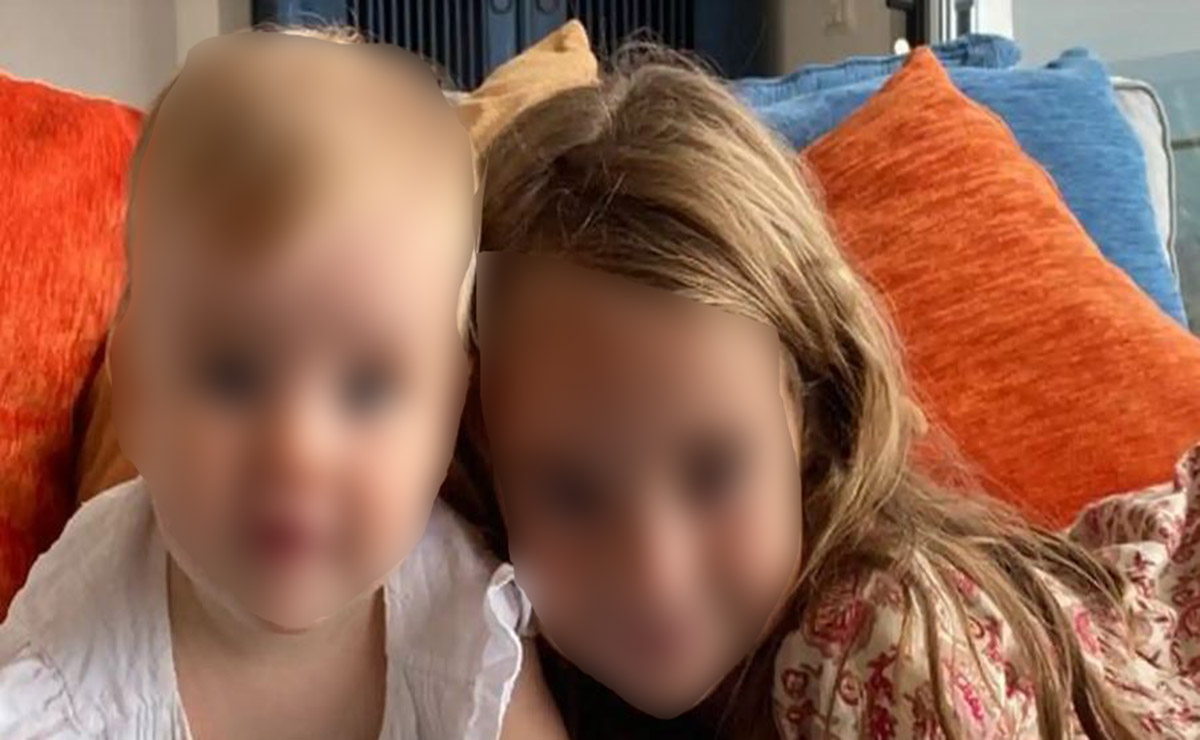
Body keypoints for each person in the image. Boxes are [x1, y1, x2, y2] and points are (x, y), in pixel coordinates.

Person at [450, 50, 1200, 739]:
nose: (654, 571)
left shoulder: (880, 651)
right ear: (485, 458)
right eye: (572, 493)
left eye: (713, 471)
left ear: (811, 415)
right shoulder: (484, 619)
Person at [0, 29, 564, 740]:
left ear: (448, 414)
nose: (298, 449)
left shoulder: (458, 618)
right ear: (136, 389)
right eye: (233, 376)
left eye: (367, 389)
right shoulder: (75, 645)